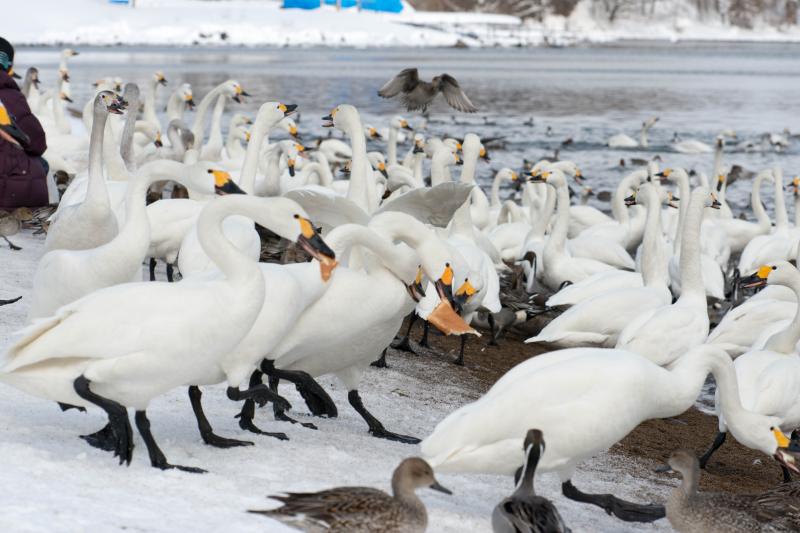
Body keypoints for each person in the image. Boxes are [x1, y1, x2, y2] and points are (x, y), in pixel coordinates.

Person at [0, 36, 48, 209]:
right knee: (42, 163)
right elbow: (37, 143)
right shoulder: (11, 96)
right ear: (9, 66)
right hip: (12, 195)